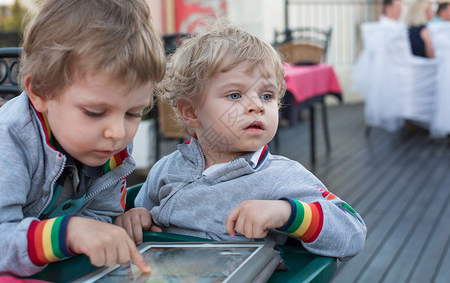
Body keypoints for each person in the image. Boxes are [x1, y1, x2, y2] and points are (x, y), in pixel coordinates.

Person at [116, 19, 367, 260]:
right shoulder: (167, 169)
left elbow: (352, 232)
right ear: (191, 112)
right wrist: (138, 217)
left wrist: (287, 213)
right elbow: (145, 213)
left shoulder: (280, 176)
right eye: (235, 95)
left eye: (267, 96)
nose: (256, 106)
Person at [0, 0, 165, 277]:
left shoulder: (107, 147)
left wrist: (110, 226)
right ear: (40, 92)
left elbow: (100, 214)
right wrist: (68, 232)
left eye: (134, 113)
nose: (116, 132)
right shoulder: (9, 140)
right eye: (94, 112)